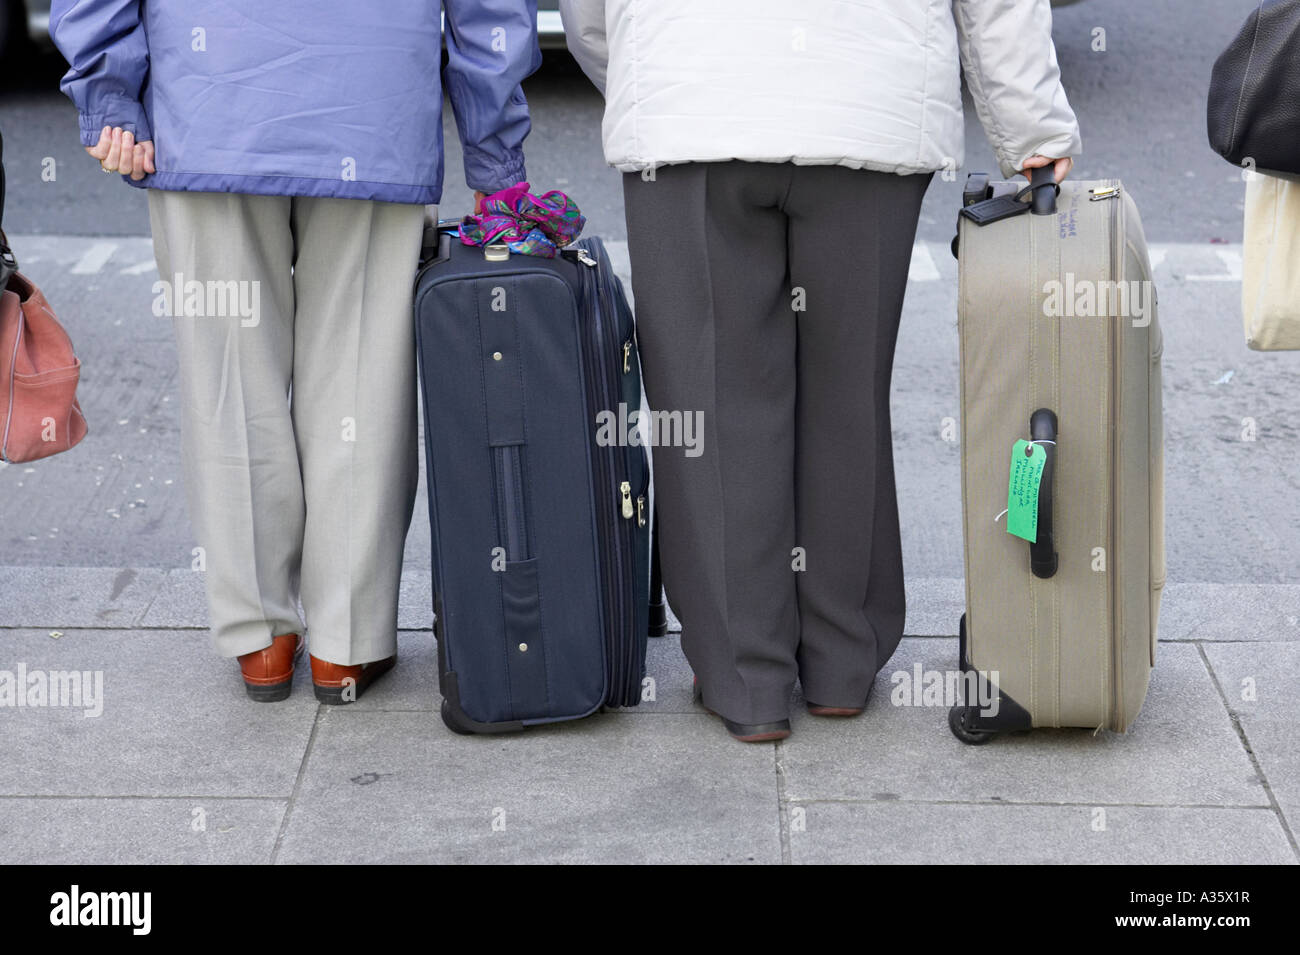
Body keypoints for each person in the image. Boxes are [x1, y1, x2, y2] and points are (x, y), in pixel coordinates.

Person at [559, 0, 1081, 742]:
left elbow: (588, 18)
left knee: (710, 410)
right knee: (847, 395)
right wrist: (1033, 128)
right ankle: (840, 660)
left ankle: (746, 676)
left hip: (694, 92)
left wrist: (649, 75)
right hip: (868, 98)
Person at [51, 1, 541, 703]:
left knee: (228, 379)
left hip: (209, 98)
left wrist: (107, 88)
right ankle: (345, 642)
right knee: (363, 378)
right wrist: (495, 153)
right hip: (372, 102)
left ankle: (261, 639)